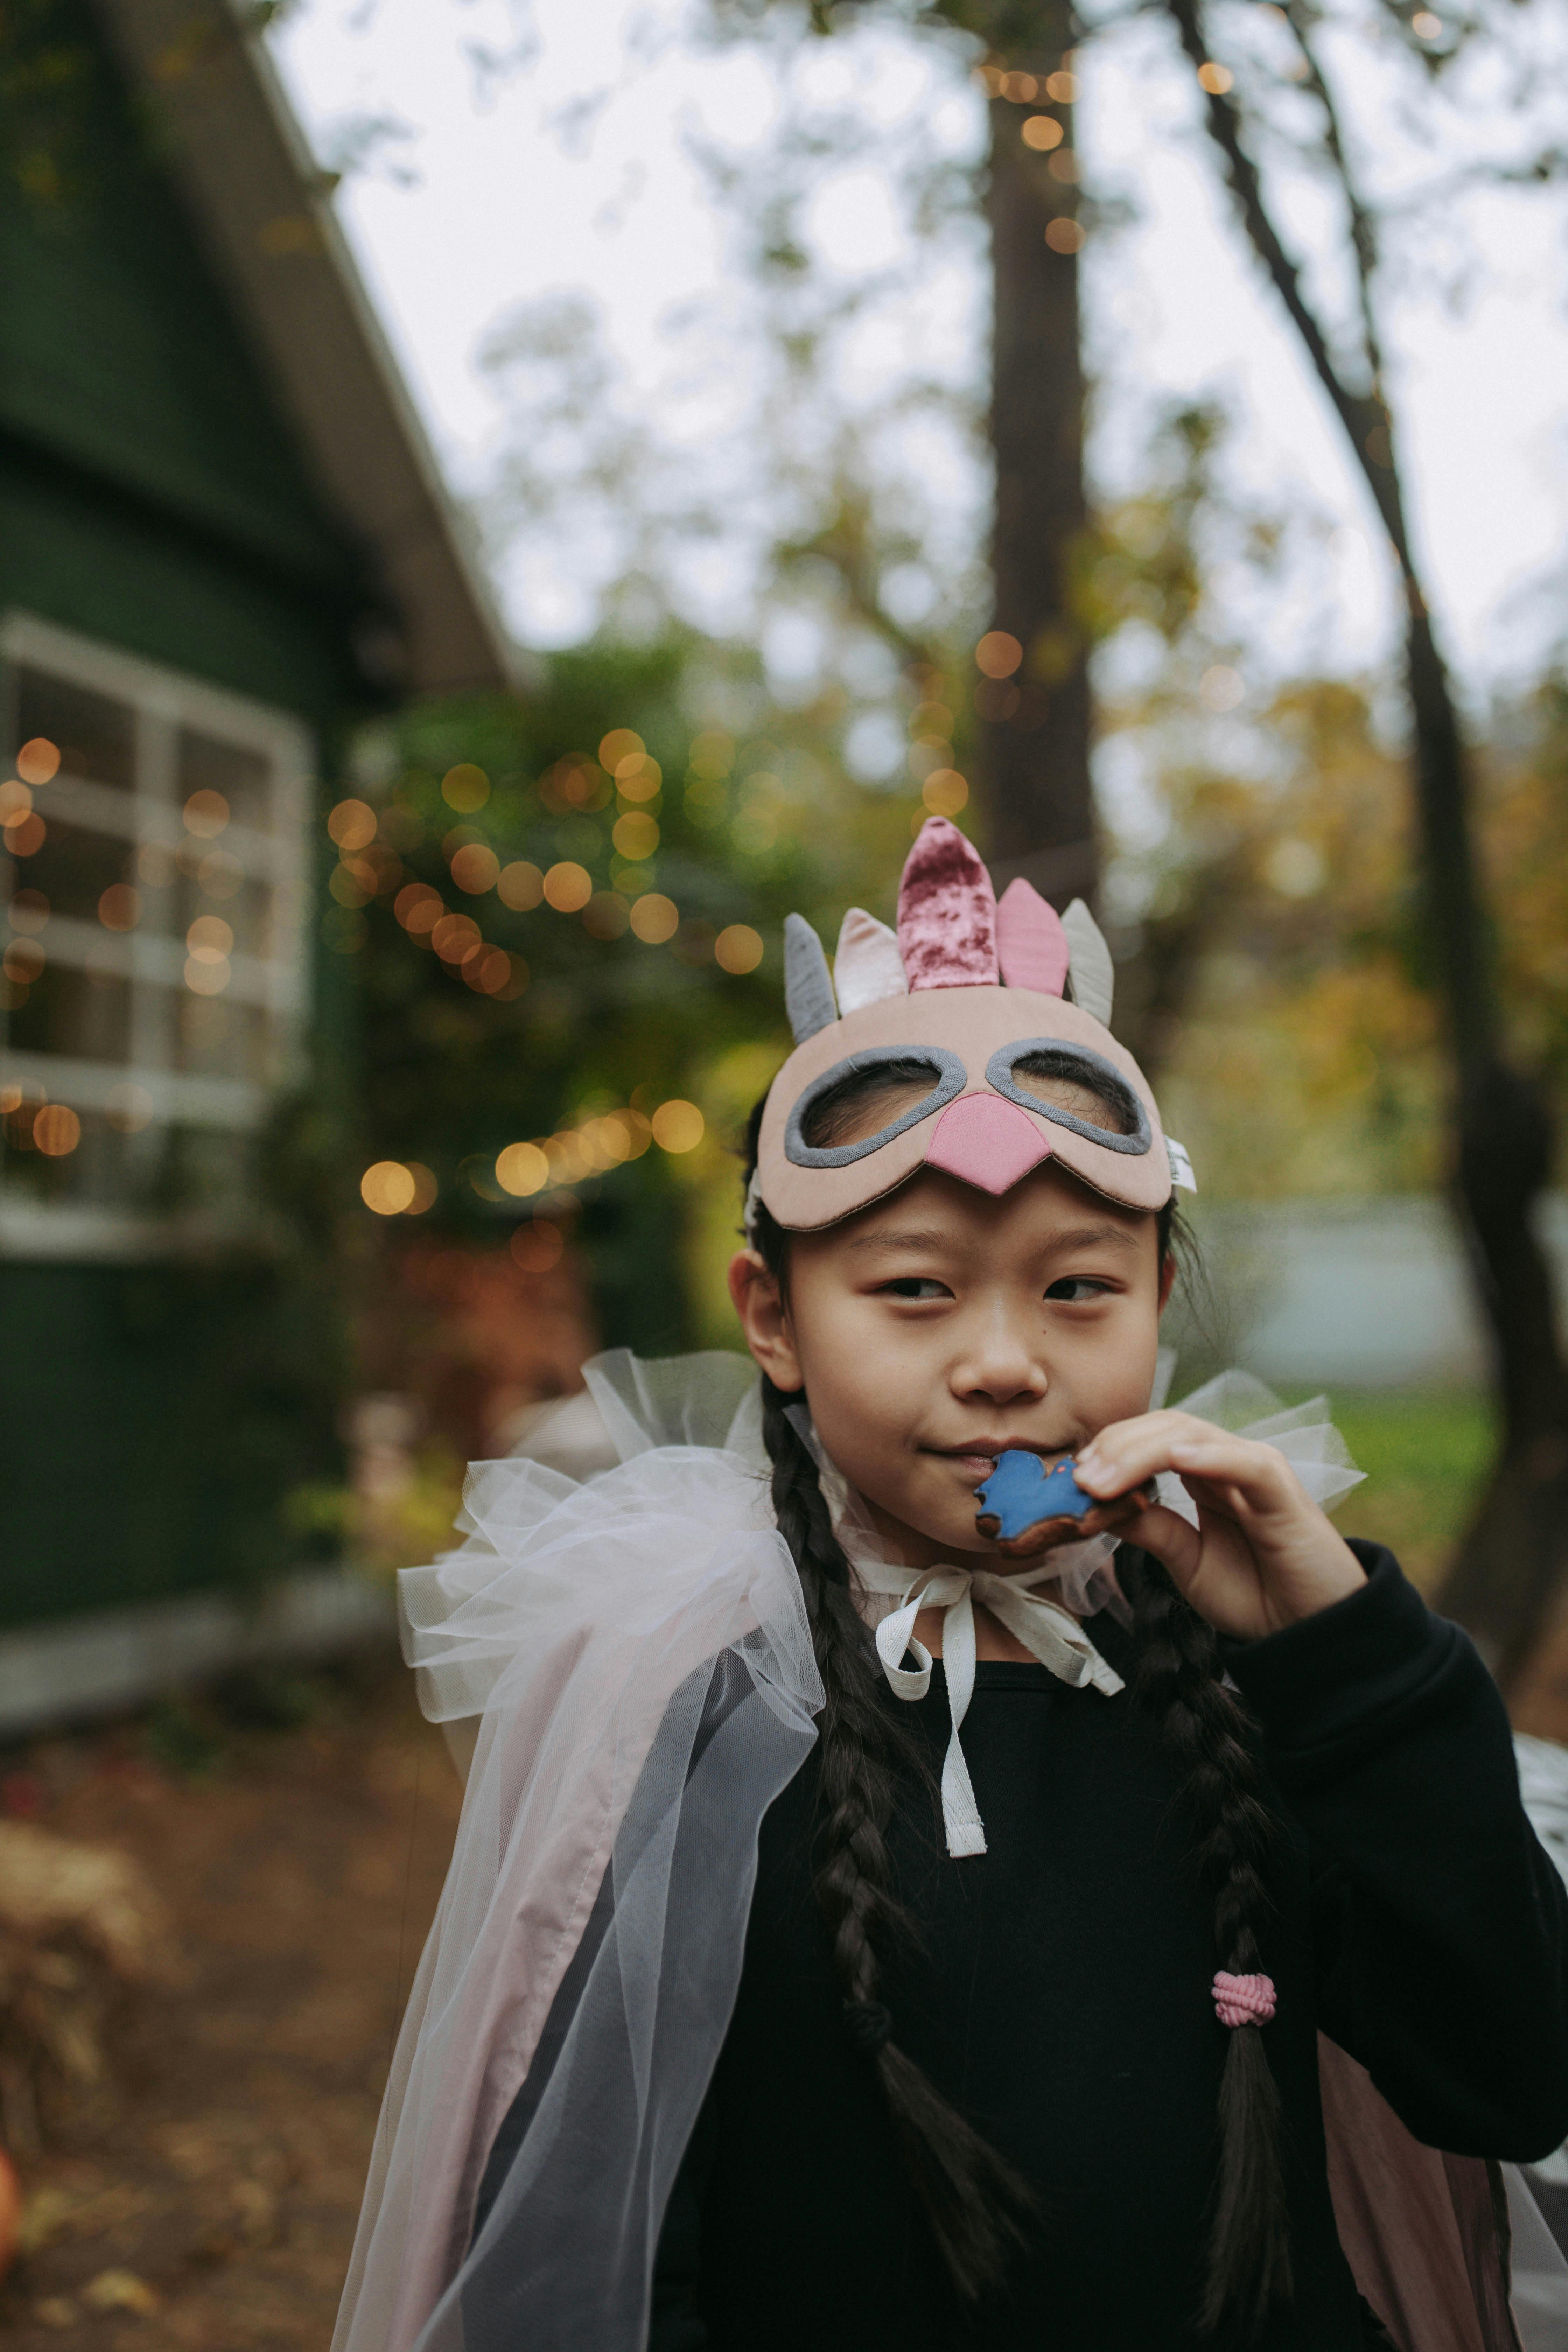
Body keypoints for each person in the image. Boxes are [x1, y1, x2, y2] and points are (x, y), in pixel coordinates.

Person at [333, 818, 1568, 2352]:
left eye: (1079, 1288)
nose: (1003, 1362)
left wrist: (1357, 1664)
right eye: (912, 1289)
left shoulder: (1264, 1672)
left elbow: (1512, 2074)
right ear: (771, 1319)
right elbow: (589, 2245)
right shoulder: (695, 1697)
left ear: (1159, 1302)